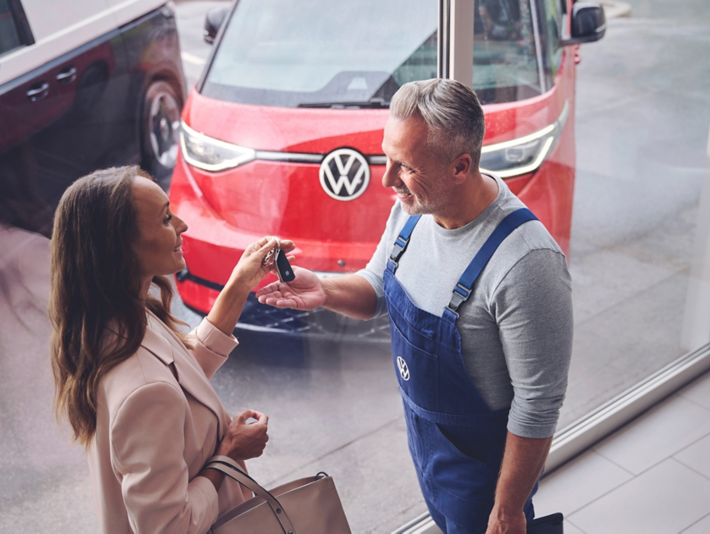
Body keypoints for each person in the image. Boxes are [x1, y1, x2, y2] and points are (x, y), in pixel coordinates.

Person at [257, 79, 572, 534]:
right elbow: (377, 287)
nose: (386, 180)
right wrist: (322, 289)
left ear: (461, 167)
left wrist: (507, 511)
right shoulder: (412, 210)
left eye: (403, 166)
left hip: (484, 476)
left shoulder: (525, 263)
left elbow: (538, 404)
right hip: (425, 445)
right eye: (388, 158)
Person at [50, 166, 293, 533]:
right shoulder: (143, 388)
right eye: (165, 218)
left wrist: (240, 284)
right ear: (121, 247)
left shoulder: (114, 323)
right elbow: (168, 528)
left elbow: (180, 376)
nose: (182, 225)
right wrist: (228, 453)